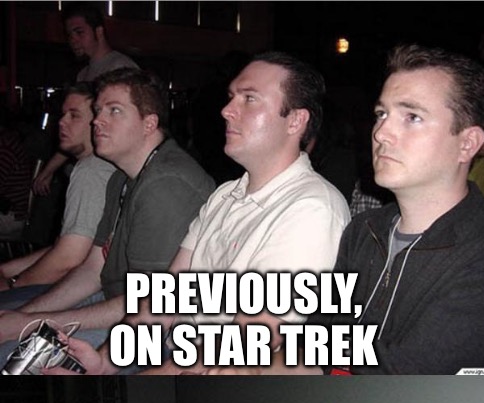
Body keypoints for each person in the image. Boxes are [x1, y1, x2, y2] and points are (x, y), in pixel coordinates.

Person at [48, 50, 350, 375]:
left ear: (295, 121)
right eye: (232, 97)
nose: (226, 110)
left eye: (249, 99)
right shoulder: (225, 195)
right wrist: (106, 361)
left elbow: (245, 344)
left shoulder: (312, 208)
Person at [0, 68, 215, 359]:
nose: (97, 120)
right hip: (116, 300)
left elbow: (150, 303)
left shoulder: (166, 183)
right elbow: (92, 270)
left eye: (114, 110)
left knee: (13, 356)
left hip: (162, 333)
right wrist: (21, 317)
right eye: (99, 110)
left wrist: (30, 324)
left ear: (149, 123)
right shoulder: (121, 178)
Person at [317, 43, 484, 374]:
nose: (381, 133)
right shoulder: (363, 230)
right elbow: (318, 337)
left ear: (467, 144)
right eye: (381, 114)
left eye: (412, 117)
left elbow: (406, 381)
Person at [0, 83, 115, 306]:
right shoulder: (96, 165)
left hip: (95, 293)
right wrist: (7, 270)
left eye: (74, 115)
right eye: (63, 114)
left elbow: (68, 260)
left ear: (97, 124)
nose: (62, 122)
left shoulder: (92, 170)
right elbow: (66, 247)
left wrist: (13, 283)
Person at [33, 2, 138, 197]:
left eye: (79, 32)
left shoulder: (120, 68)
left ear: (99, 31)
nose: (73, 40)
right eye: (69, 35)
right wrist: (51, 168)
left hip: (107, 172)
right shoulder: (83, 74)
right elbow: (77, 130)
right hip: (85, 166)